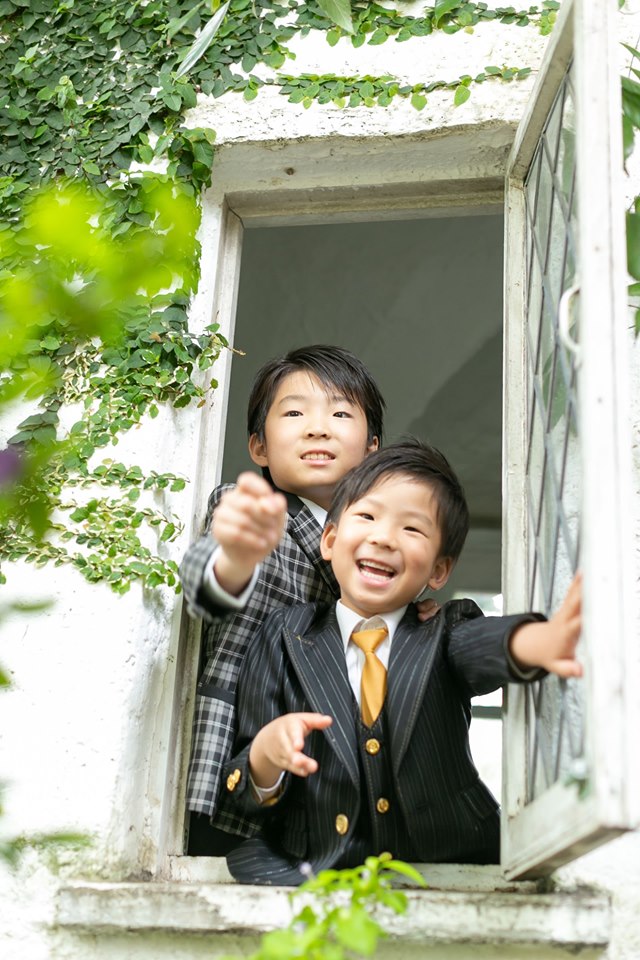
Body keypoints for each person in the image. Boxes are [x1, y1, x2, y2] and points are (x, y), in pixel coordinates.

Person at [218, 439, 582, 885]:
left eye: (412, 530)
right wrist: (266, 754)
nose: (384, 537)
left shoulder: (443, 630)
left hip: (449, 863)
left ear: (438, 571)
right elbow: (239, 788)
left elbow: (482, 645)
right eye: (367, 516)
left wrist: (539, 641)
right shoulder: (284, 634)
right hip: (314, 864)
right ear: (330, 539)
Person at [181, 345, 441, 854]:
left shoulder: (372, 549)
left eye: (340, 413)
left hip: (325, 798)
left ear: (372, 448)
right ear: (259, 446)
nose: (318, 428)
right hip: (229, 772)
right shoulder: (249, 511)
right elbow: (205, 586)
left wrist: (406, 618)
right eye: (294, 412)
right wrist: (234, 559)